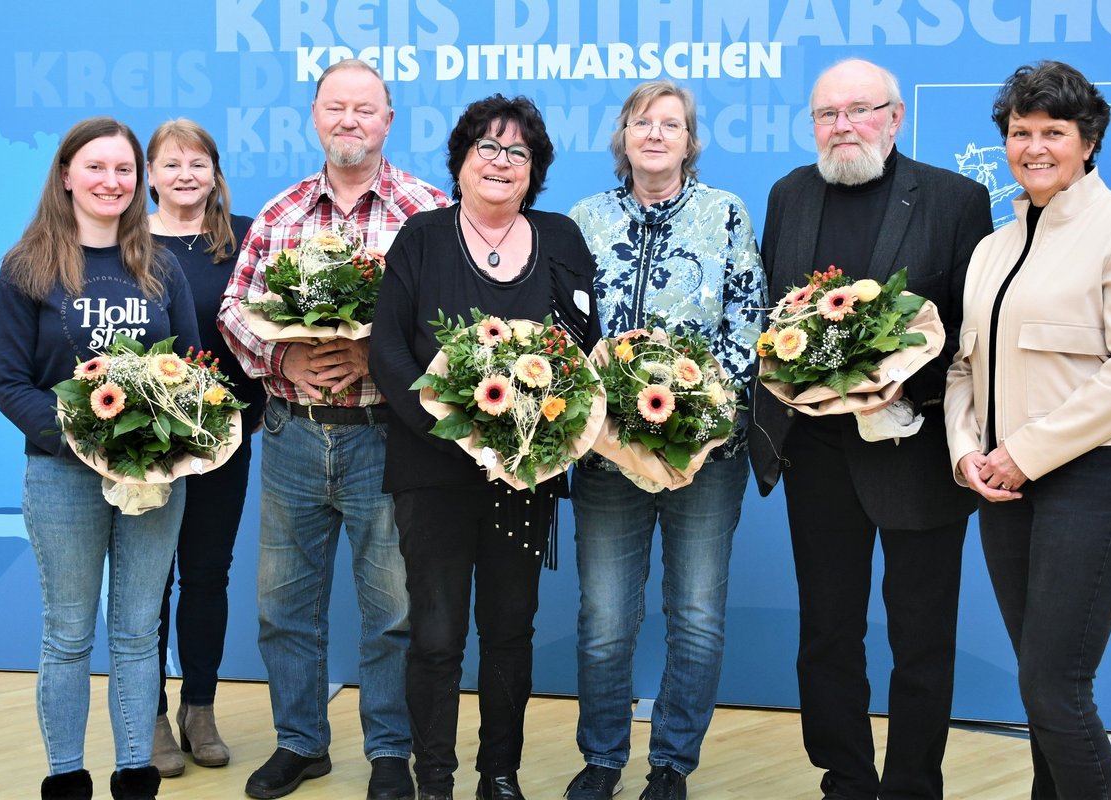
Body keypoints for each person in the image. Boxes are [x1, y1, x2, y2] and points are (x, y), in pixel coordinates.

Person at [748, 59, 993, 800]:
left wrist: (890, 379)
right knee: (826, 634)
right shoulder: (788, 194)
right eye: (827, 113)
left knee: (921, 641)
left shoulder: (957, 199)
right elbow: (775, 324)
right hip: (816, 457)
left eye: (860, 109)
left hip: (914, 454)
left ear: (895, 117)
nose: (843, 125)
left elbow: (967, 334)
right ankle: (845, 780)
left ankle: (915, 786)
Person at [944, 61, 1111, 800]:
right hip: (1005, 486)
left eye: (1054, 132)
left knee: (1054, 685)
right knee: (1041, 689)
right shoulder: (990, 250)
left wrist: (1025, 452)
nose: (1034, 146)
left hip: (1103, 476)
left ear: (1088, 141)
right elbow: (960, 371)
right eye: (1020, 132)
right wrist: (966, 455)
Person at [217, 59, 448, 800]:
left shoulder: (429, 211)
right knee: (284, 605)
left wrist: (374, 357)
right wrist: (281, 349)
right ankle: (301, 742)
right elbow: (231, 311)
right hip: (291, 432)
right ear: (315, 116)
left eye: (365, 109)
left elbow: (454, 327)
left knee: (393, 610)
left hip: (389, 436)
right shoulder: (279, 214)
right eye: (335, 108)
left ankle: (388, 752)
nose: (349, 121)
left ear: (389, 120)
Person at [370, 94, 600, 800]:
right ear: (461, 163)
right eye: (487, 148)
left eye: (518, 152)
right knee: (436, 636)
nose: (501, 162)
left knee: (509, 630)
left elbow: (582, 352)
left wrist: (528, 440)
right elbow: (386, 353)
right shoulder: (422, 238)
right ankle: (432, 778)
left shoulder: (561, 240)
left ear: (535, 171)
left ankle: (499, 774)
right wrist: (456, 434)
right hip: (433, 469)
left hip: (525, 476)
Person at [564, 80, 765, 800]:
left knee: (698, 615)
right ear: (623, 137)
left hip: (705, 458)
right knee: (605, 620)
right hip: (607, 455)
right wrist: (600, 420)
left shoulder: (726, 216)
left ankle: (672, 764)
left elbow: (750, 323)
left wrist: (703, 423)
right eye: (641, 122)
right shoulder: (582, 220)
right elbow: (565, 332)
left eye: (670, 124)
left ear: (689, 141)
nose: (655, 134)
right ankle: (603, 757)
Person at [0, 117, 201, 800]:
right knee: (69, 633)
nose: (112, 181)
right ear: (65, 176)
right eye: (97, 167)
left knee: (140, 632)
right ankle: (66, 778)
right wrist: (83, 440)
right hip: (61, 478)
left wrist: (166, 445)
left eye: (124, 170)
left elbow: (192, 373)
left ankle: (136, 772)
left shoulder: (160, 266)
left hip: (154, 481)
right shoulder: (26, 268)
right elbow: (9, 384)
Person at [143, 119, 266, 778]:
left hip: (226, 435)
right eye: (171, 164)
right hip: (145, 442)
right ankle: (153, 717)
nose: (185, 175)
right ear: (150, 174)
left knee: (207, 574)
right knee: (150, 582)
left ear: (215, 172)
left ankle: (200, 709)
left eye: (198, 164)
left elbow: (269, 325)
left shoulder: (244, 239)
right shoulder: (125, 242)